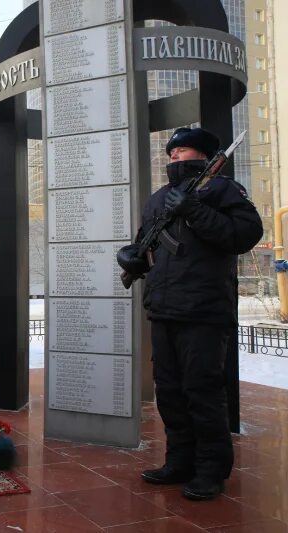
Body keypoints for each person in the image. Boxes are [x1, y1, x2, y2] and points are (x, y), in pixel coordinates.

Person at [117, 127, 263, 501]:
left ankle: (211, 471)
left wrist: (193, 209)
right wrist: (132, 256)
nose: (173, 157)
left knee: (202, 392)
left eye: (180, 151)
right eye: (171, 152)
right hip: (164, 308)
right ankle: (179, 461)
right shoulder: (160, 198)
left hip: (202, 310)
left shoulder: (223, 190)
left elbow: (244, 235)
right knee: (170, 392)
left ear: (201, 154)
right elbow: (147, 243)